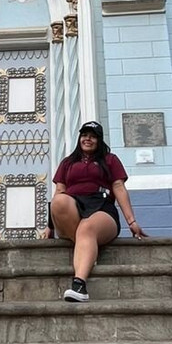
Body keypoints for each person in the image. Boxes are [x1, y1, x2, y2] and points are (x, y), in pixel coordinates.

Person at [45, 120, 147, 302]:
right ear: (79, 138)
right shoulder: (67, 162)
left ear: (99, 140)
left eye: (93, 136)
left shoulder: (110, 159)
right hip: (74, 208)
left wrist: (131, 221)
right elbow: (59, 191)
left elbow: (119, 187)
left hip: (102, 208)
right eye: (84, 135)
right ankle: (88, 250)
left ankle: (79, 285)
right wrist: (50, 226)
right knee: (59, 201)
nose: (88, 139)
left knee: (87, 228)